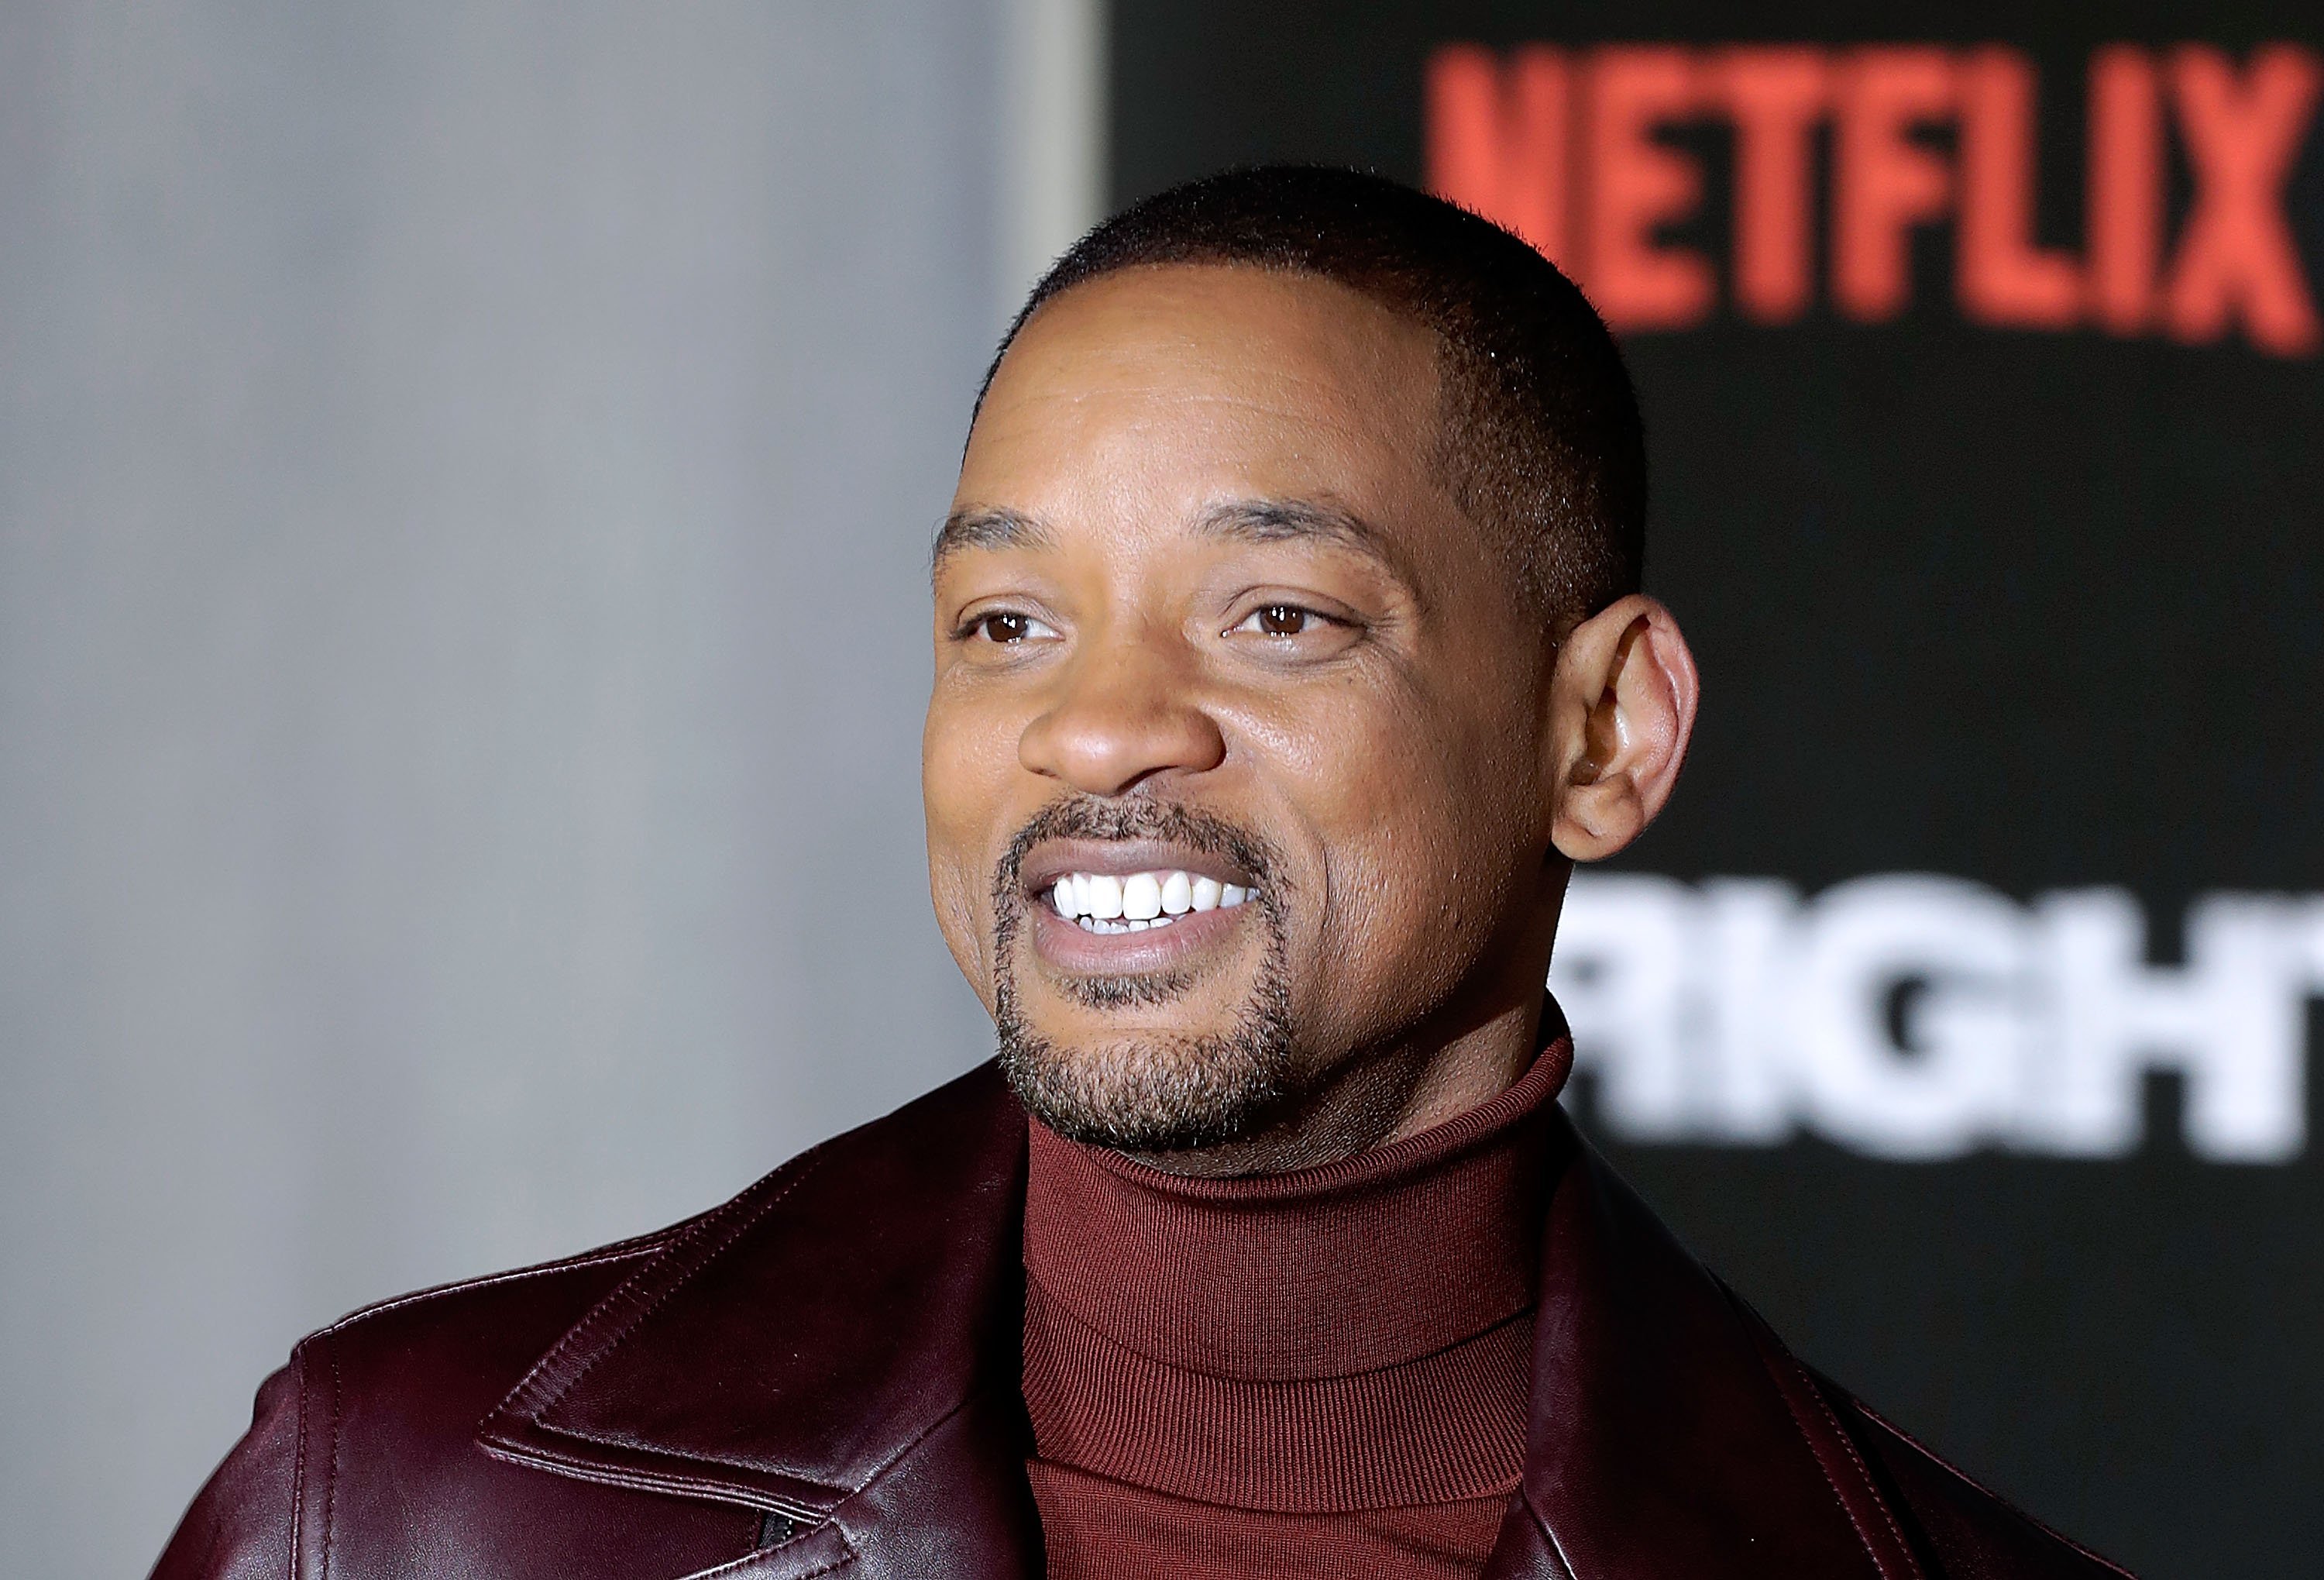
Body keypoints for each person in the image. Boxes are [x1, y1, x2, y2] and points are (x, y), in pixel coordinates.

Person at [151, 166, 2132, 1580]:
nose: (1095, 733)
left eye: (1275, 615)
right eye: (1005, 625)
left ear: (1602, 735)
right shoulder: (403, 1513)